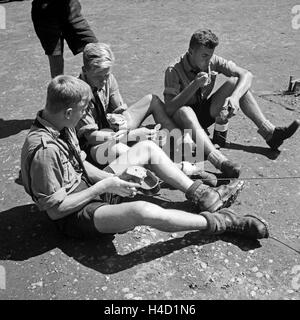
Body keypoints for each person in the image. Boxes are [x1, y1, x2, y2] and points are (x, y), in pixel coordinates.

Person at [20, 75, 268, 240]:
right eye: (83, 110)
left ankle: (202, 194)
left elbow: (80, 164)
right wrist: (106, 184)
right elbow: (55, 211)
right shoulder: (44, 150)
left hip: (88, 186)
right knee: (142, 210)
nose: (86, 115)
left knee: (147, 148)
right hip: (75, 214)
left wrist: (114, 179)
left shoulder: (61, 124)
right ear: (68, 111)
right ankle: (220, 222)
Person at [163, 29, 300, 178]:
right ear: (190, 51)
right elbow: (169, 109)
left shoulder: (211, 60)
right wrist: (194, 85)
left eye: (210, 55)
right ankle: (220, 161)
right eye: (204, 56)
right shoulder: (173, 70)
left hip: (201, 116)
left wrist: (235, 97)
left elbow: (246, 74)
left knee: (236, 82)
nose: (208, 60)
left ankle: (270, 133)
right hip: (180, 123)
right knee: (185, 111)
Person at [77, 42, 213, 181]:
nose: (105, 81)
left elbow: (120, 110)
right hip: (94, 146)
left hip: (110, 129)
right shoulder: (79, 95)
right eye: (99, 77)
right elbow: (92, 137)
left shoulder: (107, 78)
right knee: (119, 149)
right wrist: (132, 135)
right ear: (85, 70)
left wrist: (122, 122)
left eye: (107, 75)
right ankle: (179, 169)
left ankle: (182, 144)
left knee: (152, 100)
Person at [31, 0, 98, 78]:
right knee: (56, 65)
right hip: (45, 14)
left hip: (71, 8)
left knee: (97, 52)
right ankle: (60, 89)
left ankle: (93, 87)